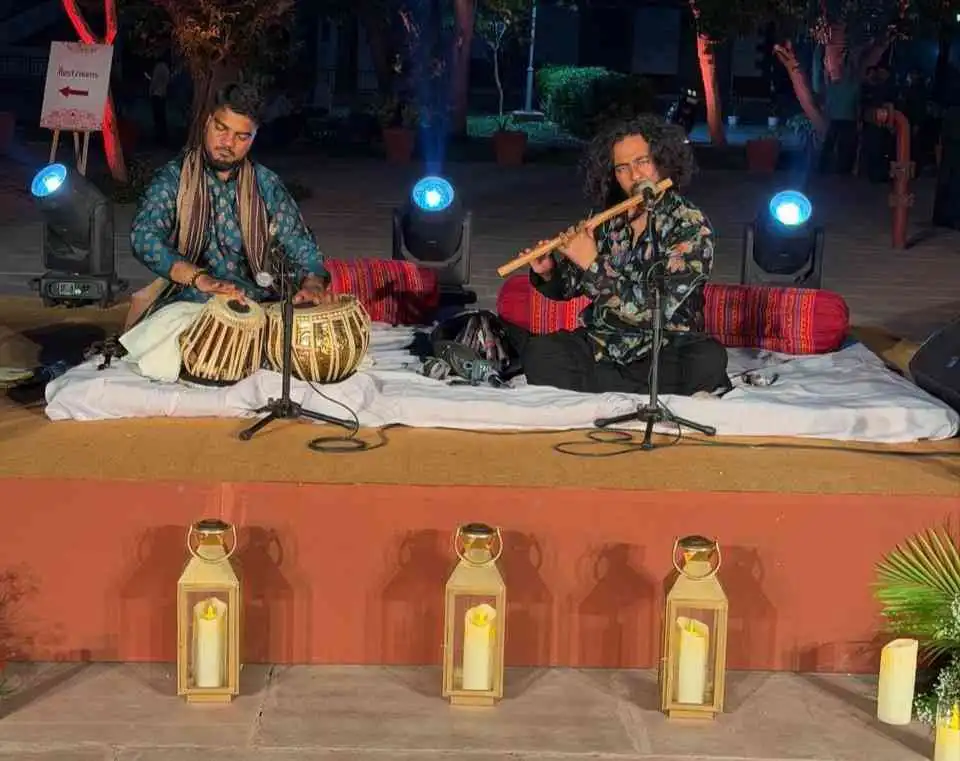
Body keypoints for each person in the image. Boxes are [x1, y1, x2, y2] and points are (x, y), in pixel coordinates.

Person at [506, 114, 728, 397]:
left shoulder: (690, 224)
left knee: (707, 359)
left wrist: (592, 263)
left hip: (666, 345)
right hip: (604, 344)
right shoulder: (607, 220)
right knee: (541, 352)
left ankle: (602, 388)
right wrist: (549, 271)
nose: (634, 176)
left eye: (642, 162)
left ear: (663, 160)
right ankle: (637, 390)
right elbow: (571, 287)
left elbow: (652, 311)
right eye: (622, 168)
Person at [127, 81, 332, 331]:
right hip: (190, 301)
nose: (227, 143)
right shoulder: (174, 178)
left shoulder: (266, 184)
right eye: (221, 129)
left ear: (253, 138)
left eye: (241, 136)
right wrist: (198, 278)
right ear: (207, 122)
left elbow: (301, 245)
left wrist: (313, 284)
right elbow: (144, 236)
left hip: (259, 304)